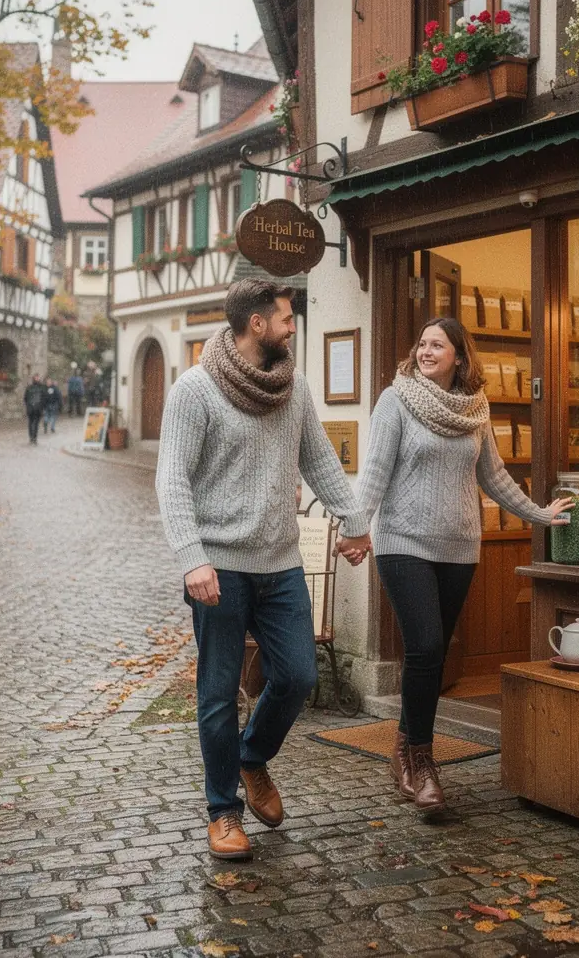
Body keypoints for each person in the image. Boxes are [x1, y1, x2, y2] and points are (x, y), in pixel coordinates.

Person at [156, 278, 370, 861]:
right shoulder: (194, 392)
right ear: (256, 324)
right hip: (217, 569)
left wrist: (353, 520)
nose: (293, 325)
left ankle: (253, 757)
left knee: (299, 676)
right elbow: (172, 479)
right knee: (219, 693)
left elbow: (320, 458)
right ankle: (223, 810)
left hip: (279, 565)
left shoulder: (293, 387)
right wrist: (191, 558)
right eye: (284, 318)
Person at [353, 316, 574, 815]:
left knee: (432, 653)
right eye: (422, 342)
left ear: (459, 356)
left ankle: (405, 751)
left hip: (458, 548)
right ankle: (423, 761)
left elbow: (493, 476)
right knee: (427, 645)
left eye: (438, 345)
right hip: (403, 542)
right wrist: (355, 528)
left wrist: (540, 514)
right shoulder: (396, 400)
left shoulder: (476, 409)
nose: (426, 351)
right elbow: (375, 473)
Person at [24, 374, 48, 445]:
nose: (37, 379)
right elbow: (26, 398)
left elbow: (44, 399)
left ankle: (33, 438)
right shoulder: (30, 388)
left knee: (35, 424)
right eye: (37, 378)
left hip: (36, 408)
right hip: (33, 408)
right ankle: (32, 437)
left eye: (38, 378)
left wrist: (42, 407)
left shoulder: (41, 388)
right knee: (31, 423)